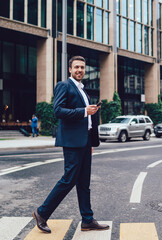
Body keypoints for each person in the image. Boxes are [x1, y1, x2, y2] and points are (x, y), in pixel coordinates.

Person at [32, 56, 109, 233]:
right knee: (68, 179)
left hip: (84, 142)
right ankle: (42, 213)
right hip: (72, 143)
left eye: (82, 67)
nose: (80, 70)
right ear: (70, 69)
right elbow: (58, 110)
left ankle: (87, 220)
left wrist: (90, 134)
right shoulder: (64, 86)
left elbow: (85, 117)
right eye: (76, 67)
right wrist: (84, 111)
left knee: (83, 183)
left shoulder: (83, 90)